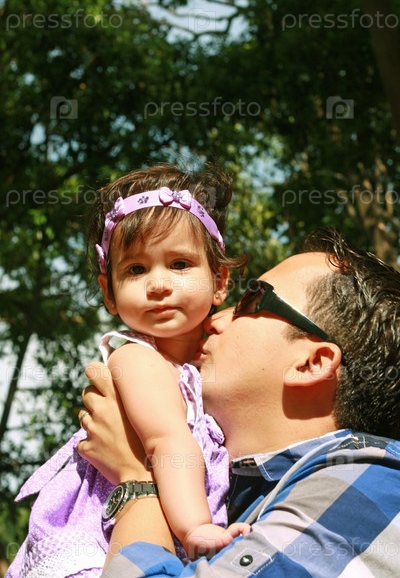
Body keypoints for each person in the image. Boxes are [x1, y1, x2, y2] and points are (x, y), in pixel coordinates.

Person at [77, 227, 400, 577]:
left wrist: (136, 483)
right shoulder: (249, 503)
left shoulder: (363, 486)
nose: (215, 318)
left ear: (311, 364)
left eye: (251, 301)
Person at [6, 163, 248, 578]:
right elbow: (165, 440)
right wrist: (195, 527)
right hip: (104, 541)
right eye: (136, 269)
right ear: (110, 292)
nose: (158, 284)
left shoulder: (204, 362)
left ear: (220, 281)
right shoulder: (136, 358)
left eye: (179, 264)